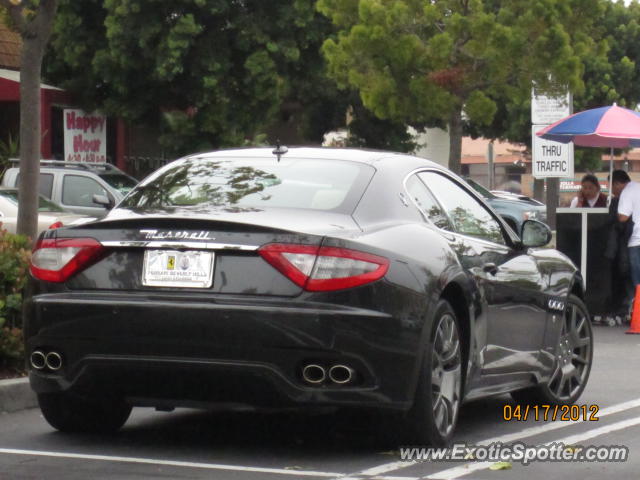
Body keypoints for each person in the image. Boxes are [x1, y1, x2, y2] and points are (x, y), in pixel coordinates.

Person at [605, 170, 633, 325]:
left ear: (618, 184)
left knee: (627, 280)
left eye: (612, 185)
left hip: (624, 247)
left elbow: (616, 222)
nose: (612, 189)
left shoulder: (620, 201)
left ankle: (626, 310)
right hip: (626, 246)